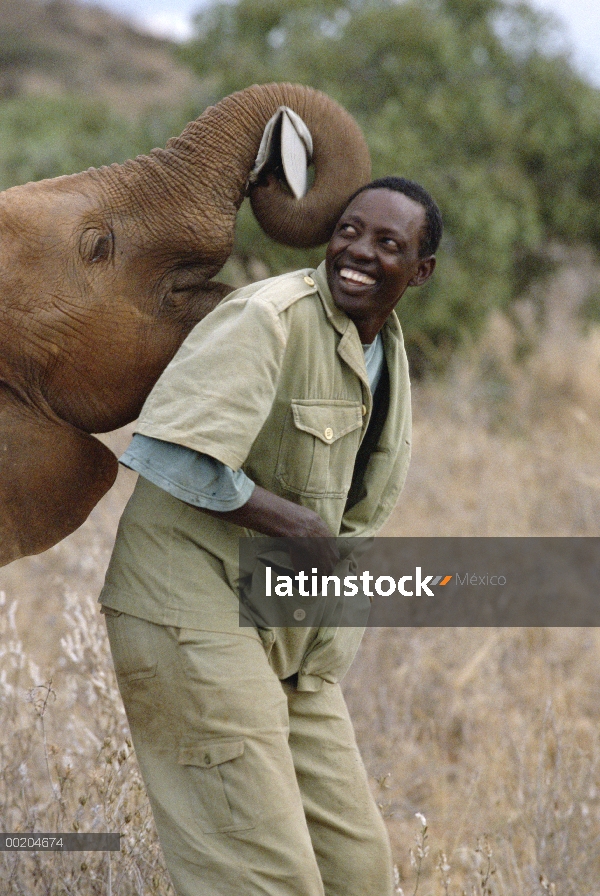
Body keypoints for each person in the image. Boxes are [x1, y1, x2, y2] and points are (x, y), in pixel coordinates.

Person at [99, 176, 442, 896]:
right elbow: (168, 451)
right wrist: (292, 521)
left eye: (388, 244)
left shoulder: (389, 348)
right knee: (266, 877)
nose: (359, 252)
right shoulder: (270, 315)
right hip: (190, 608)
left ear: (421, 270)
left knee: (359, 873)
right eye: (349, 230)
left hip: (291, 638)